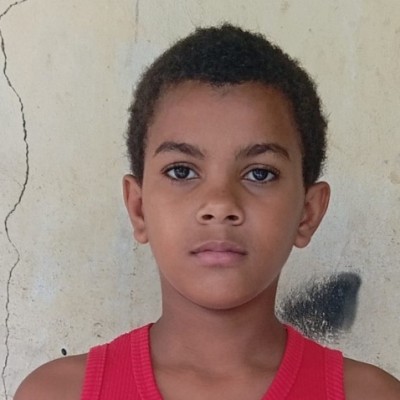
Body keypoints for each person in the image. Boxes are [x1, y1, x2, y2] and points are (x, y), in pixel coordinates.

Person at [15, 24, 400, 400]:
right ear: (139, 207)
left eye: (260, 173)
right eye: (181, 171)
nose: (220, 204)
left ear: (307, 213)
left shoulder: (370, 394)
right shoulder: (56, 393)